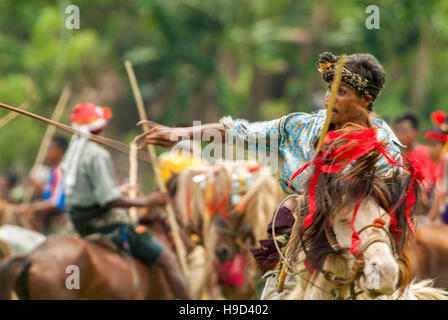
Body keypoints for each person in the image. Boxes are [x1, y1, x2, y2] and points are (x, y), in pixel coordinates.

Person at [134, 52, 405, 298]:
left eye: (341, 92)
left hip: (359, 250)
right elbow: (239, 131)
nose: (329, 98)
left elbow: (388, 203)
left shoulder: (384, 145)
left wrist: (333, 201)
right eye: (329, 90)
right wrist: (176, 134)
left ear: (365, 100)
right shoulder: (299, 126)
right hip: (303, 248)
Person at [61, 102, 193, 299]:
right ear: (101, 127)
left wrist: (121, 189)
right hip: (106, 225)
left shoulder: (73, 153)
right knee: (168, 259)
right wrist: (149, 200)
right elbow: (108, 200)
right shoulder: (97, 154)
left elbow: (92, 193)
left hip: (80, 223)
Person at [16, 136, 73, 234]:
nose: (46, 152)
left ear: (61, 150)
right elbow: (50, 193)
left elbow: (56, 202)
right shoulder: (54, 171)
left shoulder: (61, 170)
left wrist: (30, 207)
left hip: (59, 225)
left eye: (50, 148)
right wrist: (36, 185)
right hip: (48, 223)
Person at [395, 113, 436, 187]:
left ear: (416, 132)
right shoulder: (398, 156)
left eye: (404, 130)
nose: (400, 134)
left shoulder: (425, 153)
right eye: (398, 130)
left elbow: (428, 182)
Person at [426, 111, 448, 224]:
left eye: (434, 145)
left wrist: (429, 221)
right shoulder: (439, 163)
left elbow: (442, 194)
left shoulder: (446, 159)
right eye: (428, 144)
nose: (429, 149)